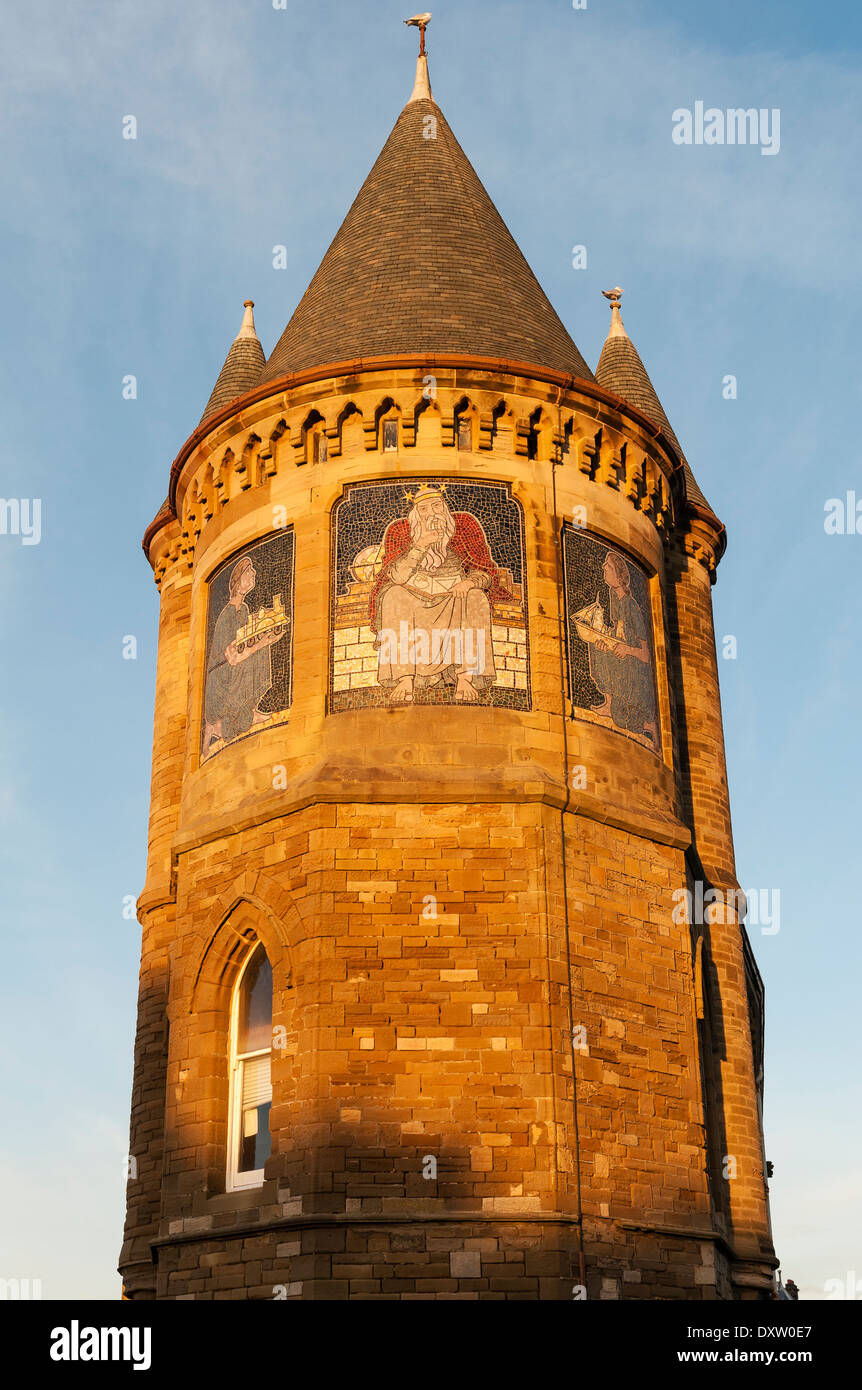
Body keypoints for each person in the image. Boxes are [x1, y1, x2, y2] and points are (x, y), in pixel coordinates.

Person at [369, 485, 509, 704]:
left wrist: (469, 582)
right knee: (393, 596)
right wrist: (421, 544)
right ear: (415, 515)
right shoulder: (400, 531)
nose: (432, 513)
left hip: (453, 596)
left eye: (436, 506)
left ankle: (465, 678)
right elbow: (395, 576)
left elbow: (484, 570)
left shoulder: (463, 526)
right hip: (413, 595)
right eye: (424, 509)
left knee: (476, 598)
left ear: (444, 508)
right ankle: (405, 679)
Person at [203, 556, 281, 750]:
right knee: (257, 651)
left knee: (260, 650)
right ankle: (236, 717)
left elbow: (246, 640)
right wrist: (261, 643)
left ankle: (249, 709)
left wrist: (264, 639)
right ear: (237, 582)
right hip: (219, 679)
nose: (253, 574)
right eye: (249, 571)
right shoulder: (227, 615)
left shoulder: (243, 609)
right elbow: (232, 656)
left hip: (231, 667)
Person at [587, 549, 658, 747]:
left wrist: (627, 650)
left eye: (608, 567)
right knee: (597, 647)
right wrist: (604, 638)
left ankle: (648, 724)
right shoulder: (614, 597)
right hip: (622, 659)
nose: (604, 568)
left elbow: (646, 655)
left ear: (619, 574)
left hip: (635, 670)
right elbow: (618, 632)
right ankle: (608, 703)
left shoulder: (632, 607)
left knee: (621, 719)